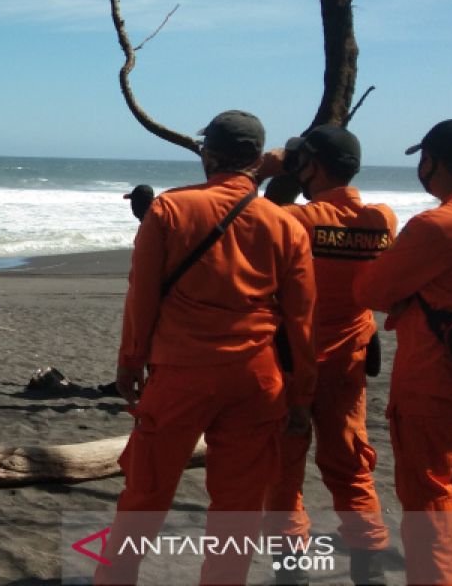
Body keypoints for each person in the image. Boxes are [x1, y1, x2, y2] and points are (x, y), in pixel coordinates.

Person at [95, 110, 317, 585]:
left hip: (180, 373)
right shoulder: (287, 226)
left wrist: (130, 360)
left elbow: (143, 294)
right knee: (237, 507)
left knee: (146, 493)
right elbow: (300, 324)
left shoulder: (169, 210)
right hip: (256, 379)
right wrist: (301, 395)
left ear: (207, 154)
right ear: (258, 159)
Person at [257, 125, 395, 585]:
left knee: (284, 471)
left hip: (292, 364)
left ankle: (291, 574)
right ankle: (370, 570)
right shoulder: (383, 220)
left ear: (310, 167)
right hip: (347, 365)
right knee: (351, 465)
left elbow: (243, 217)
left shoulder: (292, 221)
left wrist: (265, 168)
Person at [355, 119, 452, 586]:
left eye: (423, 160)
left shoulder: (437, 224)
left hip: (433, 381)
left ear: (437, 163)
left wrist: (412, 291)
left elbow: (371, 288)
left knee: (429, 495)